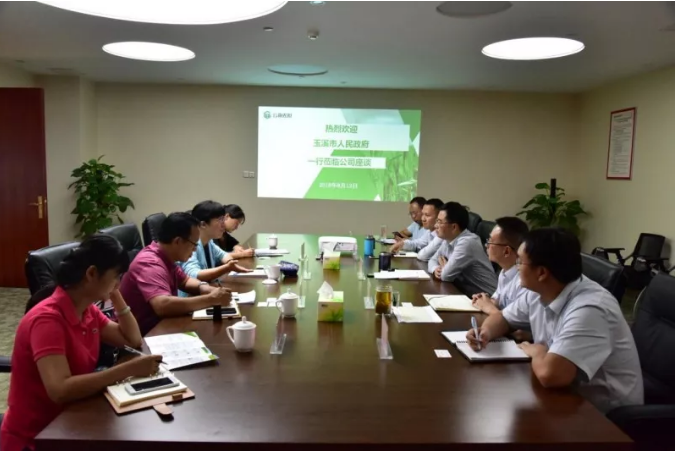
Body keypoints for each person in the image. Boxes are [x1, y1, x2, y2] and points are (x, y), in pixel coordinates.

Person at [1, 235, 163, 451]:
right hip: (37, 437)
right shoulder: (47, 320)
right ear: (91, 273)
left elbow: (131, 339)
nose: (119, 282)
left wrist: (115, 294)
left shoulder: (87, 309)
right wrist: (127, 370)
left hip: (72, 421)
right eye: (116, 276)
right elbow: (60, 390)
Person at [467, 228, 643, 413]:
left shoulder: (590, 308)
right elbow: (503, 318)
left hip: (605, 415)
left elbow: (551, 375)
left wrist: (538, 352)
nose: (516, 267)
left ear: (542, 272)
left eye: (520, 261)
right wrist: (486, 332)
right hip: (565, 397)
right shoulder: (539, 290)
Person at [120, 212, 232, 335]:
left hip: (163, 326)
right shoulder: (150, 263)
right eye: (194, 244)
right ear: (178, 241)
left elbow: (185, 281)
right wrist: (211, 299)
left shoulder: (166, 257)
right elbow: (162, 305)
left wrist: (206, 288)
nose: (195, 249)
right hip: (145, 335)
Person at [179, 201, 250, 295]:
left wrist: (230, 263)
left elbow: (223, 255)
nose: (223, 224)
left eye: (223, 219)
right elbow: (193, 274)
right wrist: (226, 268)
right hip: (192, 298)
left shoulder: (209, 242)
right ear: (203, 224)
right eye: (220, 220)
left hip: (207, 293)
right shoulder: (190, 244)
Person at [428, 202, 497, 296]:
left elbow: (446, 276)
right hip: (467, 293)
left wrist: (445, 268)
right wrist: (435, 268)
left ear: (454, 227)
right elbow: (432, 260)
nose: (436, 226)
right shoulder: (448, 239)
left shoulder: (467, 242)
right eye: (436, 221)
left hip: (488, 298)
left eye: (440, 222)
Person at [472, 217, 530, 315]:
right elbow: (497, 301)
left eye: (490, 241)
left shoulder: (524, 281)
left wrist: (489, 308)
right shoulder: (505, 271)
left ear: (506, 251)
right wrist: (484, 300)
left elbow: (515, 322)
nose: (486, 245)